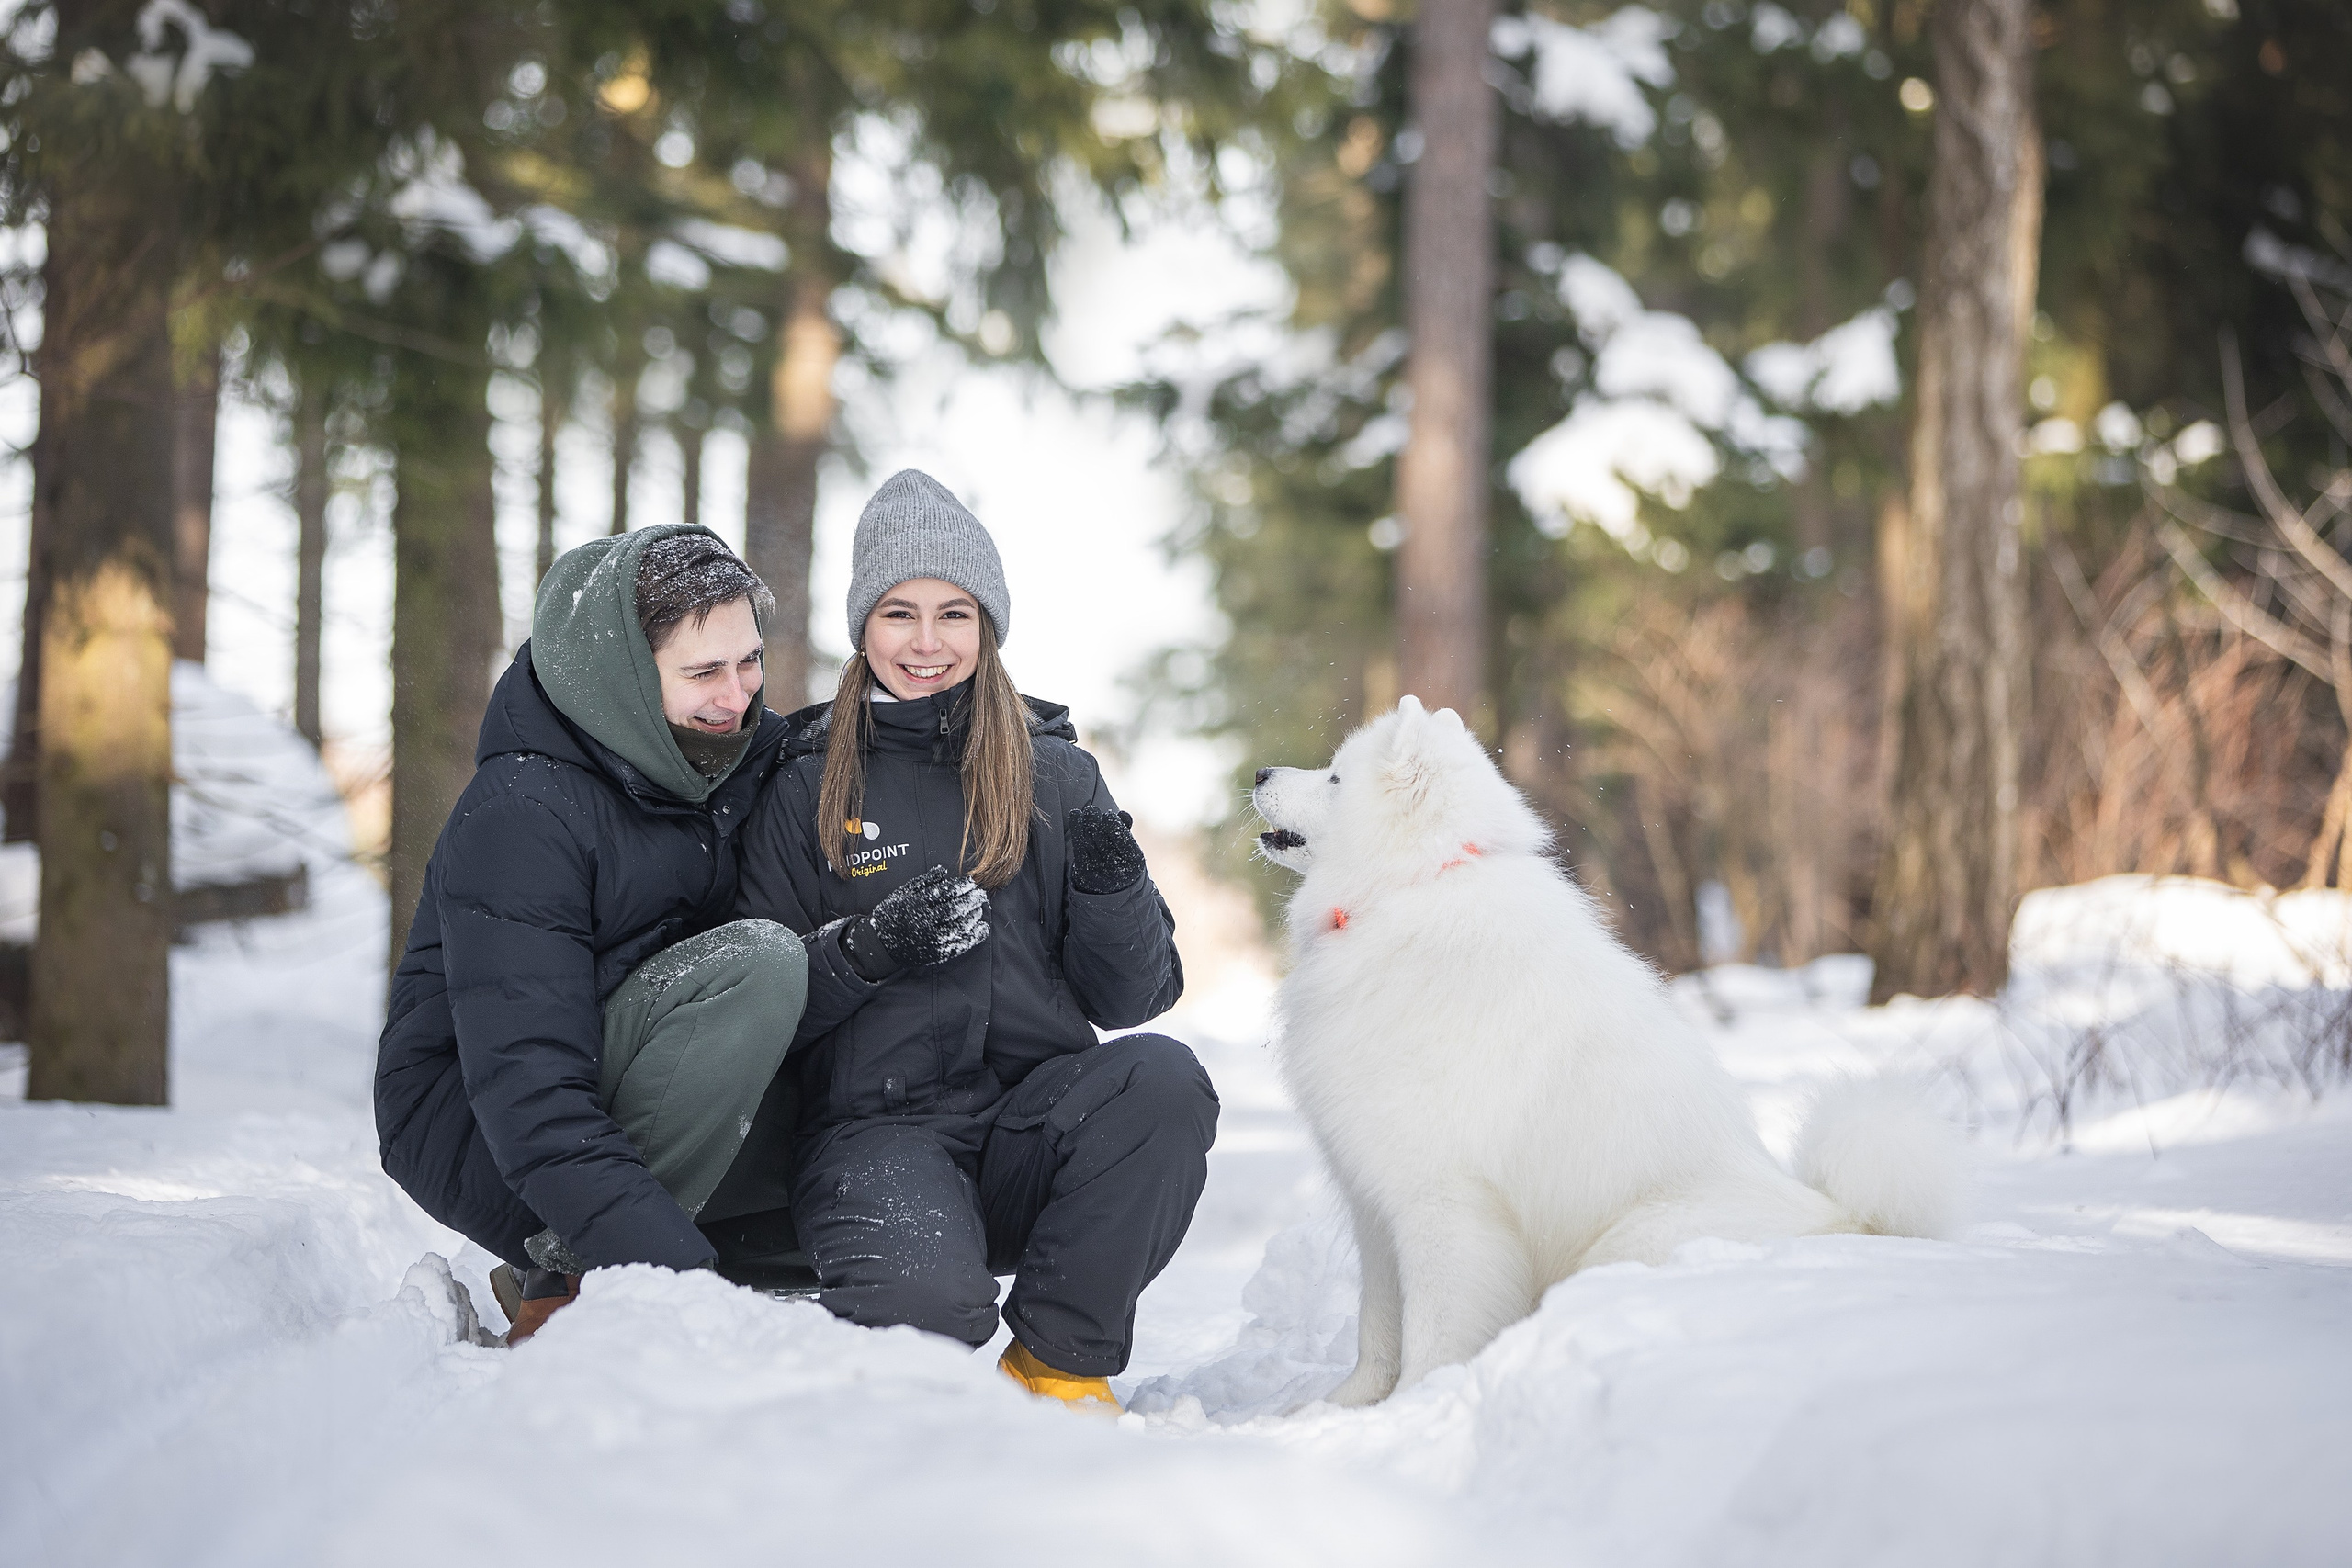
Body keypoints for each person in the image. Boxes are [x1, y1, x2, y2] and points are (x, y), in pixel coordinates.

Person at [736, 469, 1217, 1411]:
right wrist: (866, 951)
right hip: (876, 1136)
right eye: (898, 614)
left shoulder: (1058, 774)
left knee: (1162, 1078)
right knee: (925, 1328)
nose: (926, 643)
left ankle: (1056, 1366)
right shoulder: (801, 782)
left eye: (954, 614)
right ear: (862, 628)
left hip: (1031, 1132)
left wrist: (1115, 884)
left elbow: (1132, 1002)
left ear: (988, 625)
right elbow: (750, 1011)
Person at [373, 525, 832, 1343]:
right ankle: (570, 1271)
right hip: (480, 1120)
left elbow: (833, 742)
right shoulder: (523, 815)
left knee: (844, 1209)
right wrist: (679, 1284)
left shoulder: (714, 749)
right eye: (704, 672)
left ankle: (620, 1248)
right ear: (624, 673)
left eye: (749, 661)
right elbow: (530, 1091)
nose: (739, 696)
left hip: (622, 1073)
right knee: (758, 966)